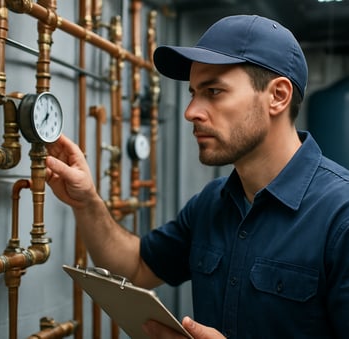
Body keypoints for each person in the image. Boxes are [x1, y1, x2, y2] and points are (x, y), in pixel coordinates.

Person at [46, 15, 349, 339]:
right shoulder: (211, 203)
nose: (191, 111)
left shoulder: (339, 216)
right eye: (193, 92)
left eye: (214, 91)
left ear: (277, 96)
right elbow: (135, 267)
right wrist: (87, 201)